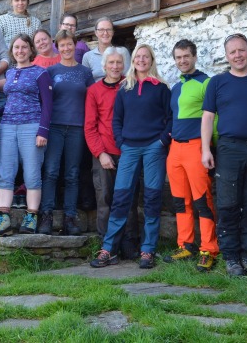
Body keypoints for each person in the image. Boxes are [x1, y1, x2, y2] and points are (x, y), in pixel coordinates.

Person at [91, 44, 172, 269]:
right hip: (130, 149)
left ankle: (148, 251)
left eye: (146, 56)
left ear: (152, 60)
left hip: (154, 148)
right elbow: (116, 120)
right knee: (121, 198)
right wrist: (121, 142)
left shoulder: (162, 88)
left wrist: (162, 141)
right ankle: (108, 248)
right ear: (133, 60)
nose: (142, 60)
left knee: (152, 198)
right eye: (138, 56)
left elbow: (170, 118)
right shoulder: (124, 89)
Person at [201, 33, 247, 277]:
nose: (238, 55)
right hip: (229, 148)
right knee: (228, 204)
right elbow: (208, 117)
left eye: (242, 50)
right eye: (233, 52)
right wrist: (205, 149)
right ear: (227, 56)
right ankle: (231, 257)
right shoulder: (217, 83)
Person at [0, 34, 53, 236]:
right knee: (5, 172)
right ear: (12, 50)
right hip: (7, 126)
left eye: (24, 47)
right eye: (16, 47)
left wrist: (43, 130)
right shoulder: (9, 73)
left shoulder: (40, 73)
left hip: (31, 126)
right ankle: (3, 217)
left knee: (32, 173)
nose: (20, 51)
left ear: (30, 50)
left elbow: (48, 104)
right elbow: (9, 101)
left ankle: (31, 216)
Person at [164, 39, 219, 272]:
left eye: (186, 56)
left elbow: (214, 119)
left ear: (195, 57)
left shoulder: (207, 83)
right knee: (179, 200)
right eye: (178, 57)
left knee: (202, 200)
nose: (182, 61)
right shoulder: (176, 87)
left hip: (196, 147)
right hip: (175, 148)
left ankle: (209, 249)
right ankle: (185, 244)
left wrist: (211, 148)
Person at [84, 46, 139, 257]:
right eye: (111, 63)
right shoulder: (94, 91)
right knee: (105, 198)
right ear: (104, 65)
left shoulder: (131, 87)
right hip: (104, 152)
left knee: (129, 199)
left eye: (118, 63)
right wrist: (100, 153)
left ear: (124, 65)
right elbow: (90, 126)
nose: (115, 66)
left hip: (129, 151)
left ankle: (129, 243)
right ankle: (107, 245)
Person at [39, 30, 95, 235]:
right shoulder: (51, 72)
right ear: (57, 47)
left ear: (74, 45)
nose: (66, 48)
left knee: (72, 174)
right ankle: (46, 216)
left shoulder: (85, 72)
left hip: (77, 128)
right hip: (54, 126)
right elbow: (45, 101)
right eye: (62, 45)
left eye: (69, 44)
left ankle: (70, 218)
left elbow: (92, 100)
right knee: (51, 171)